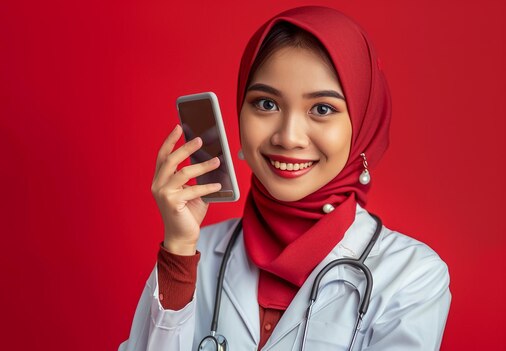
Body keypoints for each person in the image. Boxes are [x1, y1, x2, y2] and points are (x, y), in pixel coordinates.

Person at [119, 6, 451, 351]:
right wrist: (179, 256)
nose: (288, 137)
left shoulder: (412, 276)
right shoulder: (192, 251)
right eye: (266, 104)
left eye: (322, 109)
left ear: (364, 125)